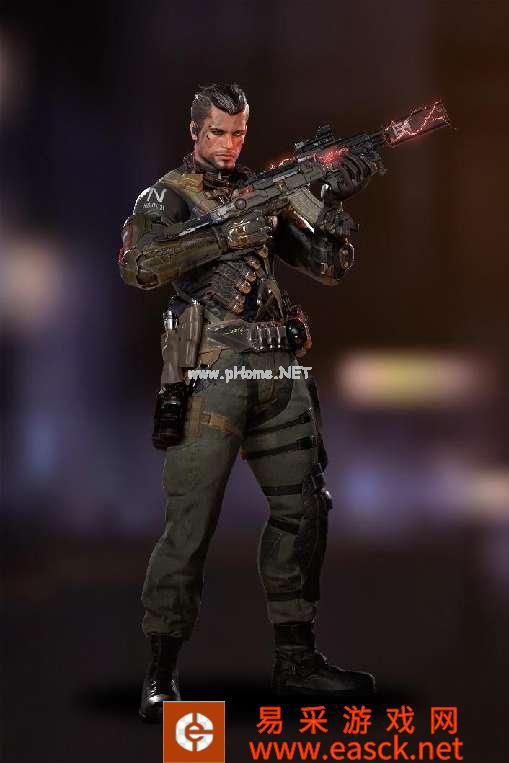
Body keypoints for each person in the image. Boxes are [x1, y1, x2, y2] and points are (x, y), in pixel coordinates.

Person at [118, 83, 377, 722]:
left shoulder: (262, 190)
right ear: (195, 130)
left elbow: (328, 267)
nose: (230, 145)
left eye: (238, 133)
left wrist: (329, 202)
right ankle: (160, 674)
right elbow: (139, 265)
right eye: (218, 132)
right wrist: (226, 236)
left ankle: (297, 661)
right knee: (190, 523)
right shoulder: (169, 196)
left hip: (278, 370)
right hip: (211, 374)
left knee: (305, 506)